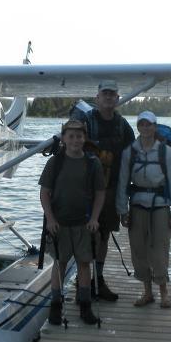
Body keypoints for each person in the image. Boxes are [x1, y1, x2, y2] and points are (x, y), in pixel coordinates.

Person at [73, 80, 135, 301]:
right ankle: (83, 282)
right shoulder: (85, 121)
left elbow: (134, 153)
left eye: (112, 94)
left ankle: (98, 280)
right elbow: (70, 146)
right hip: (87, 189)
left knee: (104, 235)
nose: (108, 97)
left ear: (118, 99)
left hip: (110, 189)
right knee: (87, 236)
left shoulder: (122, 125)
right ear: (97, 98)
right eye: (104, 94)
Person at [115, 110, 171, 309]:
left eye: (149, 125)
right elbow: (122, 182)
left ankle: (164, 291)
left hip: (161, 205)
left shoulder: (166, 152)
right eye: (142, 124)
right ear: (138, 127)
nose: (146, 128)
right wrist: (122, 210)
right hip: (137, 205)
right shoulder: (130, 152)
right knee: (139, 249)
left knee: (160, 249)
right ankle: (147, 292)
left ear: (155, 127)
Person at [39, 119, 106, 325]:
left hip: (83, 223)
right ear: (64, 139)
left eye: (79, 136)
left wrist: (95, 218)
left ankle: (85, 306)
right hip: (59, 223)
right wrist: (50, 219)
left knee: (84, 264)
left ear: (84, 138)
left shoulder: (92, 163)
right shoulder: (55, 162)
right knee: (59, 264)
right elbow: (44, 193)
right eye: (71, 136)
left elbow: (100, 193)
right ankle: (56, 306)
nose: (75, 140)